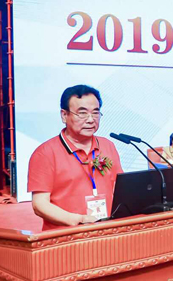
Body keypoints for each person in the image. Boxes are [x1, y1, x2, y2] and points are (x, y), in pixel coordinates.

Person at [28, 85, 123, 231]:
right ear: (64, 115)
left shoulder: (107, 145)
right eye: (82, 113)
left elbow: (119, 188)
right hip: (65, 236)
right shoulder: (45, 153)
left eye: (95, 113)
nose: (91, 119)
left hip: (107, 232)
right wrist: (79, 220)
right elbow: (40, 204)